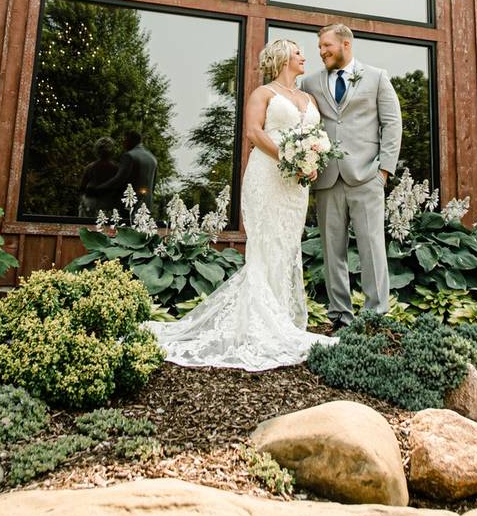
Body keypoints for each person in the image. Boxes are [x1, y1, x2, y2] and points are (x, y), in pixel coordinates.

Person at [144, 39, 337, 371]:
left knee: (287, 245)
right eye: (298, 52)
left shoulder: (307, 98)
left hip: (295, 185)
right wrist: (289, 158)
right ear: (282, 58)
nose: (305, 56)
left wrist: (310, 162)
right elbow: (253, 132)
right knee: (265, 246)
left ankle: (281, 317)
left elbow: (314, 137)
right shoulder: (263, 94)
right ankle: (261, 323)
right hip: (267, 175)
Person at [301, 24, 402, 331]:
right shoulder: (309, 83)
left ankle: (375, 317)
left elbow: (392, 124)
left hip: (367, 176)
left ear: (346, 44)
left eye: (327, 46)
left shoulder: (377, 77)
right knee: (332, 251)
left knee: (372, 248)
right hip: (328, 179)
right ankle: (340, 318)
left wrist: (383, 172)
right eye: (319, 47)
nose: (322, 52)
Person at [86, 130, 158, 213]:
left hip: (128, 205)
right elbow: (153, 185)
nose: (123, 142)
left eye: (125, 140)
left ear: (131, 140)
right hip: (146, 204)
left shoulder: (129, 156)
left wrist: (98, 189)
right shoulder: (152, 158)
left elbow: (119, 179)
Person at [78, 136, 120, 219]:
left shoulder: (90, 167)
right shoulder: (116, 168)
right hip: (108, 204)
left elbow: (82, 187)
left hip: (91, 202)